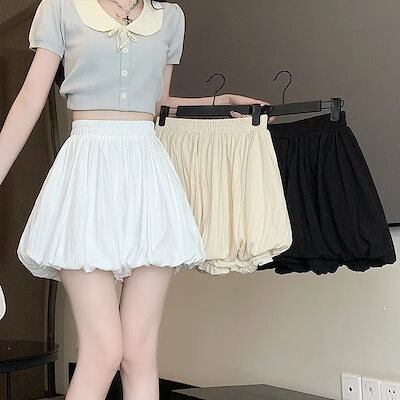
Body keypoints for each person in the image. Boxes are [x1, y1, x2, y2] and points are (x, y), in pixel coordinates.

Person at [0, 0, 270, 398]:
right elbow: (29, 100)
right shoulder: (62, 7)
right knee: (103, 351)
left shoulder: (170, 17)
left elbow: (157, 102)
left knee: (139, 355)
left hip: (147, 174)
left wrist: (220, 102)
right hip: (88, 174)